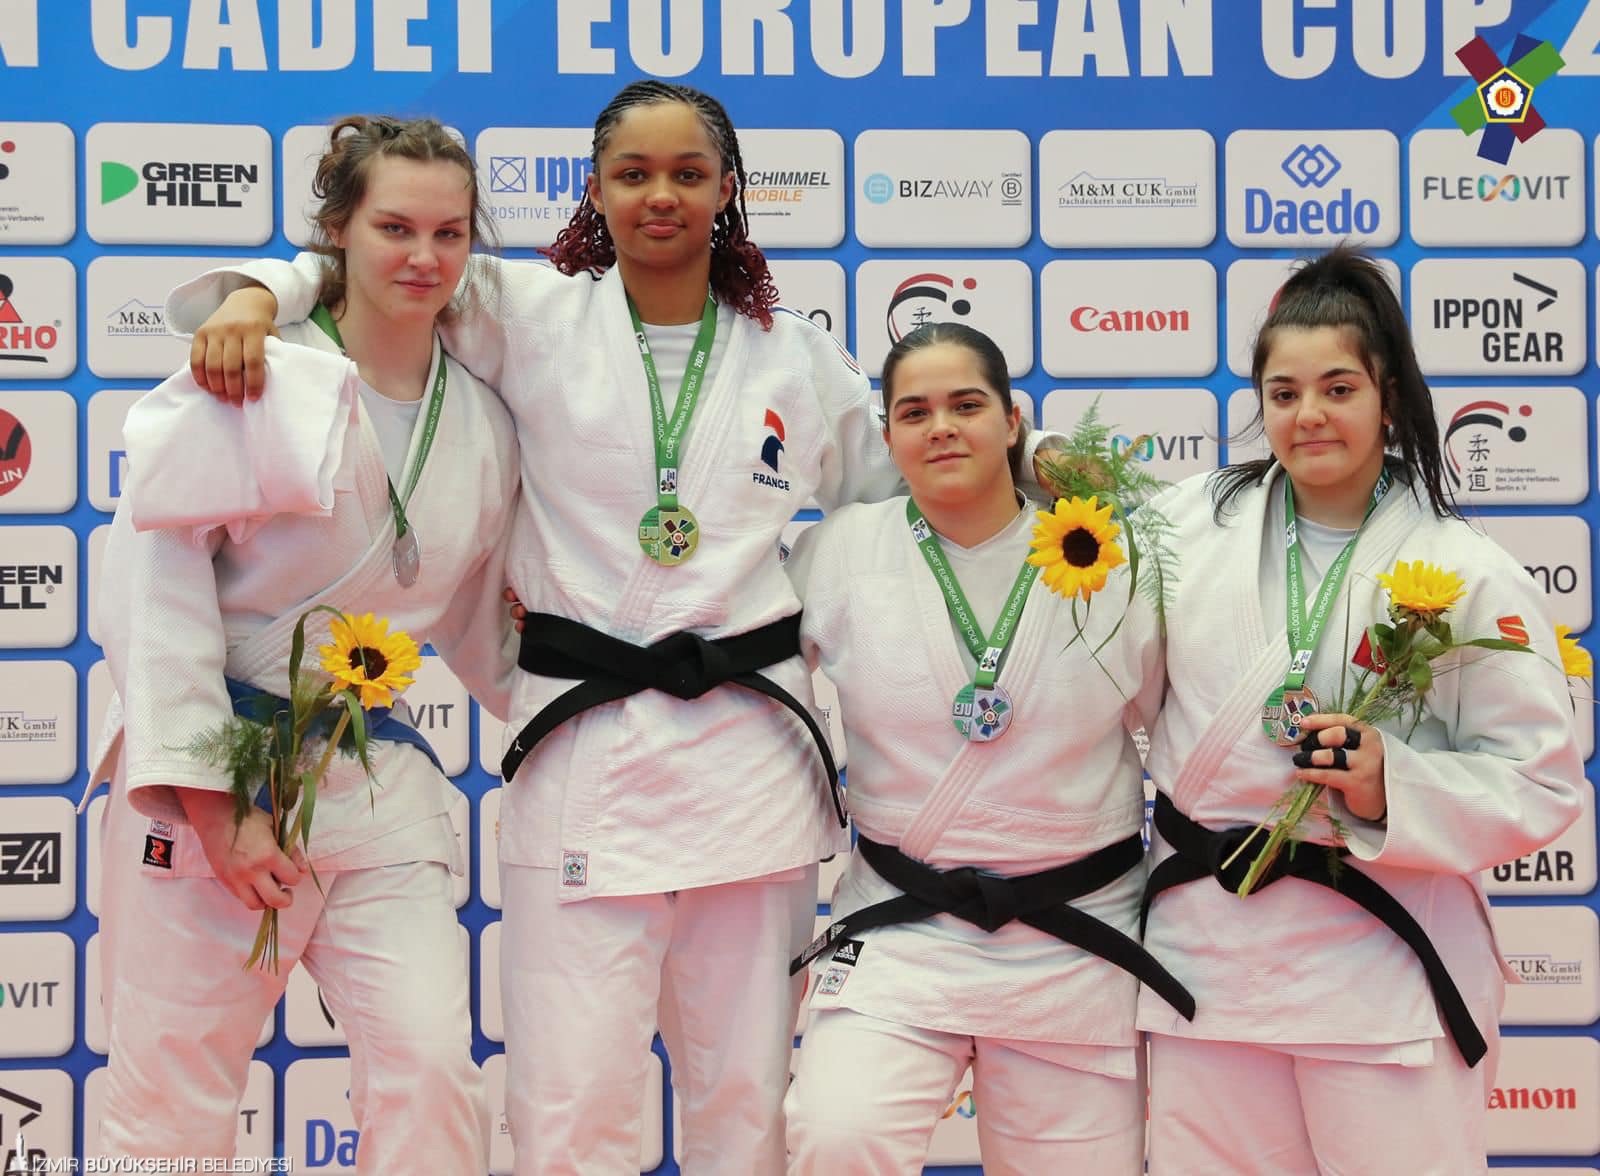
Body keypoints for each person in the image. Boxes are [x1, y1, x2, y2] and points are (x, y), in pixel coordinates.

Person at [166, 82, 1067, 1175]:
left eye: (688, 173)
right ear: (593, 190)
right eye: (633, 174)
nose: (660, 195)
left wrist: (1034, 460)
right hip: (586, 757)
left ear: (727, 191)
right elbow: (385, 262)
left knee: (747, 1101)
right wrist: (260, 293)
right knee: (568, 1105)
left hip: (750, 769)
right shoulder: (529, 312)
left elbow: (912, 474)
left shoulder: (791, 353)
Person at [89, 115, 519, 1171]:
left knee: (431, 1069)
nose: (424, 258)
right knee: (171, 1097)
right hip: (217, 775)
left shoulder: (483, 421)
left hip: (370, 772)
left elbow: (482, 626)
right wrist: (214, 807)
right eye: (394, 228)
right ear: (337, 233)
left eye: (449, 234)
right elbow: (152, 588)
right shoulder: (252, 374)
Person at [1137, 245, 1584, 1174]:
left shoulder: (1464, 570)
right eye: (1284, 392)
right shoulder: (1186, 526)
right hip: (1209, 963)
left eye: (1338, 388)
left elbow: (1540, 782)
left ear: (1388, 397)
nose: (1308, 415)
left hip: (1381, 968)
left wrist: (1392, 784)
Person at [778, 322, 1189, 1174]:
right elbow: (739, 648)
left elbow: (1184, 725)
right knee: (836, 1133)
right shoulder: (841, 550)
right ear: (889, 437)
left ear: (1013, 423)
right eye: (914, 412)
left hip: (1076, 932)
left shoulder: (1113, 556)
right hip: (903, 920)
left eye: (967, 405)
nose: (941, 428)